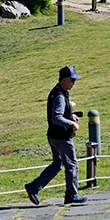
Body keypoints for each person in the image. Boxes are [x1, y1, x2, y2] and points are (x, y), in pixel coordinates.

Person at [25, 66, 86, 206]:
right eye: (72, 80)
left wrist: (71, 115)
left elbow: (60, 113)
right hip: (61, 137)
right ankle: (71, 195)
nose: (73, 83)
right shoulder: (59, 95)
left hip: (53, 136)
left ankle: (34, 186)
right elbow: (56, 117)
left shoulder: (59, 92)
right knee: (72, 165)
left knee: (57, 164)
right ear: (64, 79)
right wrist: (71, 123)